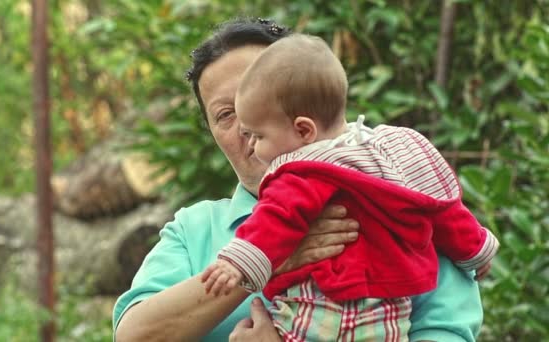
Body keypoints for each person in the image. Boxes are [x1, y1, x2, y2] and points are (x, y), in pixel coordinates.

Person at [113, 18, 484, 342]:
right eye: (226, 114)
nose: (246, 126)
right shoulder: (195, 229)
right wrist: (267, 259)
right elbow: (134, 335)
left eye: (261, 98)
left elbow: (447, 328)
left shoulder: (395, 197)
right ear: (212, 133)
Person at [200, 33, 498, 340]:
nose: (252, 145)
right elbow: (445, 211)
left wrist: (236, 264)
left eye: (258, 136)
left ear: (303, 129)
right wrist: (476, 251)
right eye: (225, 116)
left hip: (322, 316)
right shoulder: (396, 150)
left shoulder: (302, 171)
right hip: (389, 319)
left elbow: (275, 219)